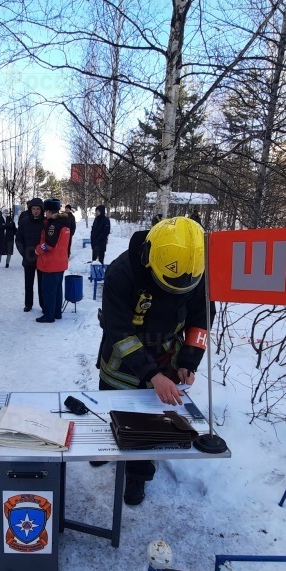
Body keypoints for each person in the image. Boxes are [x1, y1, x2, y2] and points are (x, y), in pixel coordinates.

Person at [95, 216, 208, 506]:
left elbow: (201, 321)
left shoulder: (194, 269)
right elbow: (119, 332)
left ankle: (138, 474)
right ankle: (105, 449)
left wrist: (189, 361)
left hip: (166, 354)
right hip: (120, 363)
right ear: (150, 257)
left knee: (152, 423)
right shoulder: (122, 272)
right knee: (113, 411)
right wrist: (152, 374)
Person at [35, 199, 70, 323]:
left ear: (49, 211)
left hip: (51, 263)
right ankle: (56, 313)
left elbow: (49, 244)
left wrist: (38, 250)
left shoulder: (53, 225)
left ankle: (49, 315)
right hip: (60, 262)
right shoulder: (65, 223)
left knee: (48, 290)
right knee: (57, 289)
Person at [15, 197, 45, 313]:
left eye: (38, 209)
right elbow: (18, 239)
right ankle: (28, 304)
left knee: (42, 284)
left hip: (42, 258)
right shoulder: (24, 222)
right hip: (28, 258)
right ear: (30, 209)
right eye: (33, 209)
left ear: (41, 209)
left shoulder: (45, 223)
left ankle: (43, 305)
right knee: (28, 283)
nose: (36, 211)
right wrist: (24, 253)